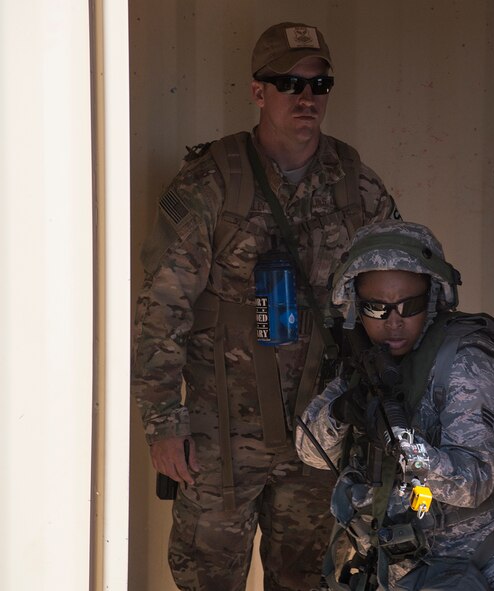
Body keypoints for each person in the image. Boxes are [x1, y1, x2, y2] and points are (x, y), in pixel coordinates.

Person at [131, 22, 399, 590]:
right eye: (289, 83)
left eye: (319, 83)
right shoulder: (212, 183)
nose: (307, 98)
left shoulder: (355, 184)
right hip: (220, 438)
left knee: (307, 579)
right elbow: (162, 309)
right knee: (207, 579)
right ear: (259, 92)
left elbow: (397, 291)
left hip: (320, 436)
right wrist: (162, 423)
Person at [295, 221, 494, 591]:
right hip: (415, 571)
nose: (394, 322)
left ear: (433, 298)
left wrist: (402, 442)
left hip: (490, 568)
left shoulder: (466, 364)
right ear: (356, 308)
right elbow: (308, 450)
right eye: (376, 309)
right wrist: (341, 412)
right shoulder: (369, 363)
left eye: (409, 306)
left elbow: (470, 484)